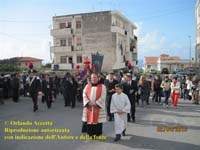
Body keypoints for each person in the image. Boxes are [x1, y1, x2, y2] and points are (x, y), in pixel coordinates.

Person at [81, 73, 107, 137]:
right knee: (89, 120)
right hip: (89, 106)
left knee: (98, 120)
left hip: (97, 106)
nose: (94, 79)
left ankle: (97, 133)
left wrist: (97, 103)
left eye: (95, 77)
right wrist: (87, 102)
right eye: (92, 77)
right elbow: (84, 94)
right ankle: (90, 133)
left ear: (98, 78)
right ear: (91, 78)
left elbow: (103, 96)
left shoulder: (102, 86)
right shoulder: (87, 86)